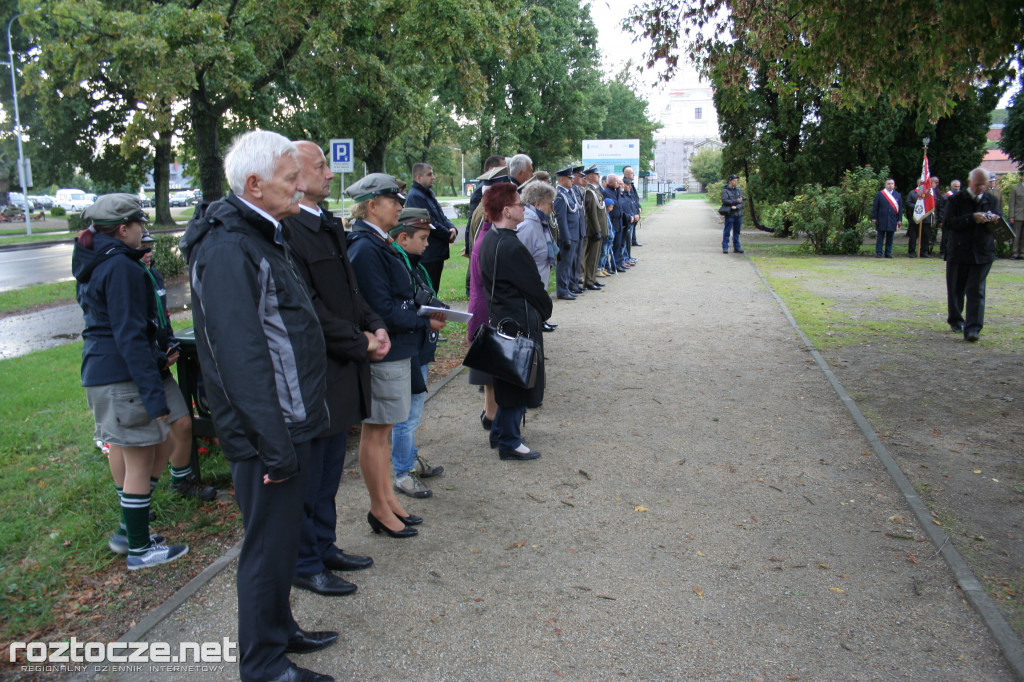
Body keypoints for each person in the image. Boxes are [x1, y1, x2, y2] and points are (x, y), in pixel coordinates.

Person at [179, 130, 336, 682]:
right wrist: (273, 448)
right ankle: (263, 664)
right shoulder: (228, 247)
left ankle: (279, 630)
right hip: (269, 432)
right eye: (291, 180)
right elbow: (239, 359)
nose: (301, 188)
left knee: (281, 543)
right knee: (266, 549)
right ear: (254, 185)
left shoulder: (263, 233)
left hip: (290, 422)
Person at [282, 141, 384, 598]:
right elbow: (309, 308)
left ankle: (325, 546)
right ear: (295, 176)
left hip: (343, 368)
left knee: (327, 473)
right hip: (318, 371)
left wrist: (374, 325)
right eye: (320, 165)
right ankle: (305, 561)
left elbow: (349, 291)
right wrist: (359, 342)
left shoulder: (326, 224)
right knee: (310, 476)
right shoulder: (288, 231)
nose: (329, 173)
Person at [73, 194, 189, 570]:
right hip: (121, 377)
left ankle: (129, 530)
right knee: (140, 460)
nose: (144, 230)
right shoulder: (120, 268)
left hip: (110, 373)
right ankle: (138, 549)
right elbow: (128, 334)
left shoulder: (102, 262)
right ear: (124, 229)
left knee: (162, 444)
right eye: (140, 224)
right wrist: (153, 389)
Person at [346, 173, 441, 538]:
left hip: (397, 348)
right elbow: (380, 307)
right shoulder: (366, 246)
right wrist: (424, 321)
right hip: (386, 351)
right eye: (393, 201)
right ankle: (379, 507)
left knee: (383, 433)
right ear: (372, 205)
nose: (400, 207)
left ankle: (388, 501)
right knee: (377, 434)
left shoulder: (377, 242)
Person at [137, 233, 217, 505]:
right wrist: (157, 357)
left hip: (159, 363)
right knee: (139, 443)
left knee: (182, 421)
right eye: (142, 247)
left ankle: (181, 480)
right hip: (138, 367)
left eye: (150, 248)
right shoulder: (128, 276)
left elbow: (161, 317)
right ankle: (136, 501)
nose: (148, 252)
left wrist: (168, 343)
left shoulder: (154, 276)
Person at [478, 182, 553, 461]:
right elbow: (533, 287)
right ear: (507, 210)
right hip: (517, 321)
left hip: (502, 318)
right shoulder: (510, 245)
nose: (525, 208)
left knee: (509, 376)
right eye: (520, 204)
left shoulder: (489, 239)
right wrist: (546, 309)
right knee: (518, 378)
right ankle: (509, 440)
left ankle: (499, 432)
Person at [388, 207, 448, 499]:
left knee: (414, 413)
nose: (427, 244)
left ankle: (409, 460)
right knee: (406, 417)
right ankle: (402, 473)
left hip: (419, 347)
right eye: (422, 238)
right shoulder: (397, 263)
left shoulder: (413, 264)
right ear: (403, 236)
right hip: (407, 347)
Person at [943, 167, 1002, 342]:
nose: (981, 188)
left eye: (984, 185)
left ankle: (973, 329)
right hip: (959, 251)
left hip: (982, 252)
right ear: (970, 183)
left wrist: (995, 219)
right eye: (977, 185)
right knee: (956, 289)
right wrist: (971, 217)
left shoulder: (991, 199)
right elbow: (948, 223)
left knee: (976, 290)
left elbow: (1000, 220)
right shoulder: (956, 200)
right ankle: (955, 320)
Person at [405, 162, 459, 293]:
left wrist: (452, 228)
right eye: (429, 174)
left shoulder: (428, 194)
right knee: (428, 291)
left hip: (436, 253)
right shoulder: (415, 196)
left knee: (433, 289)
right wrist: (447, 235)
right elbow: (429, 222)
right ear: (418, 178)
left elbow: (441, 216)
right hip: (428, 253)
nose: (433, 177)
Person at [553, 166, 582, 299]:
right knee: (564, 264)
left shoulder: (568, 193)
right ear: (563, 179)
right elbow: (561, 218)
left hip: (574, 233)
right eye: (569, 178)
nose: (572, 180)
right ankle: (562, 290)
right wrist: (566, 238)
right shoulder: (560, 195)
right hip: (568, 235)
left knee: (570, 263)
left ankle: (567, 287)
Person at [580, 165, 607, 290]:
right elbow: (592, 213)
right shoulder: (589, 192)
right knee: (591, 256)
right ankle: (588, 280)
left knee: (595, 255)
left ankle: (592, 278)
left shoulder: (595, 190)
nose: (598, 176)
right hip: (594, 229)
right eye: (596, 175)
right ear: (590, 176)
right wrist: (597, 230)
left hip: (599, 228)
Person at [871, 178, 902, 259]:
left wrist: (899, 219)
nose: (890, 185)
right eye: (888, 183)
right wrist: (874, 217)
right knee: (880, 237)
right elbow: (875, 206)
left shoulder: (898, 195)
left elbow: (900, 208)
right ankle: (879, 253)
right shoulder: (880, 194)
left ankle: (888, 253)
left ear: (894, 185)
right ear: (885, 185)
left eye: (892, 183)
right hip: (881, 219)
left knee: (890, 238)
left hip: (892, 219)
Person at [721, 173, 744, 254]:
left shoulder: (738, 190)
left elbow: (742, 200)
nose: (735, 182)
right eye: (734, 180)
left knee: (737, 232)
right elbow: (725, 201)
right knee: (727, 231)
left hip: (738, 214)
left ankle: (737, 247)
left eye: (736, 180)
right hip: (730, 214)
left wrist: (737, 206)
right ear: (730, 181)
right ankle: (725, 247)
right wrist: (736, 202)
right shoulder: (725, 191)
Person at [940, 179, 961, 259]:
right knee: (945, 237)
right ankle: (943, 252)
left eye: (958, 186)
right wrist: (941, 220)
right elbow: (941, 209)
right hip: (947, 220)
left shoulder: (961, 197)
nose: (957, 188)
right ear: (951, 186)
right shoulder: (945, 197)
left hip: (957, 220)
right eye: (955, 186)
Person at [622, 165, 643, 247]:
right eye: (632, 173)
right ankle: (629, 245)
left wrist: (639, 207)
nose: (633, 175)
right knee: (629, 229)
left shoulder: (631, 185)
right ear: (626, 174)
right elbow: (628, 200)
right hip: (630, 212)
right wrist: (634, 213)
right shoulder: (625, 185)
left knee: (633, 228)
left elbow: (635, 198)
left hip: (634, 209)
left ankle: (633, 240)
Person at [1009, 175, 1024, 260]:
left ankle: (1022, 253)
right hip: (1018, 215)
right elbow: (1012, 203)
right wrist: (1011, 215)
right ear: (1022, 177)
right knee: (1016, 235)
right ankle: (1015, 253)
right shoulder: (1016, 188)